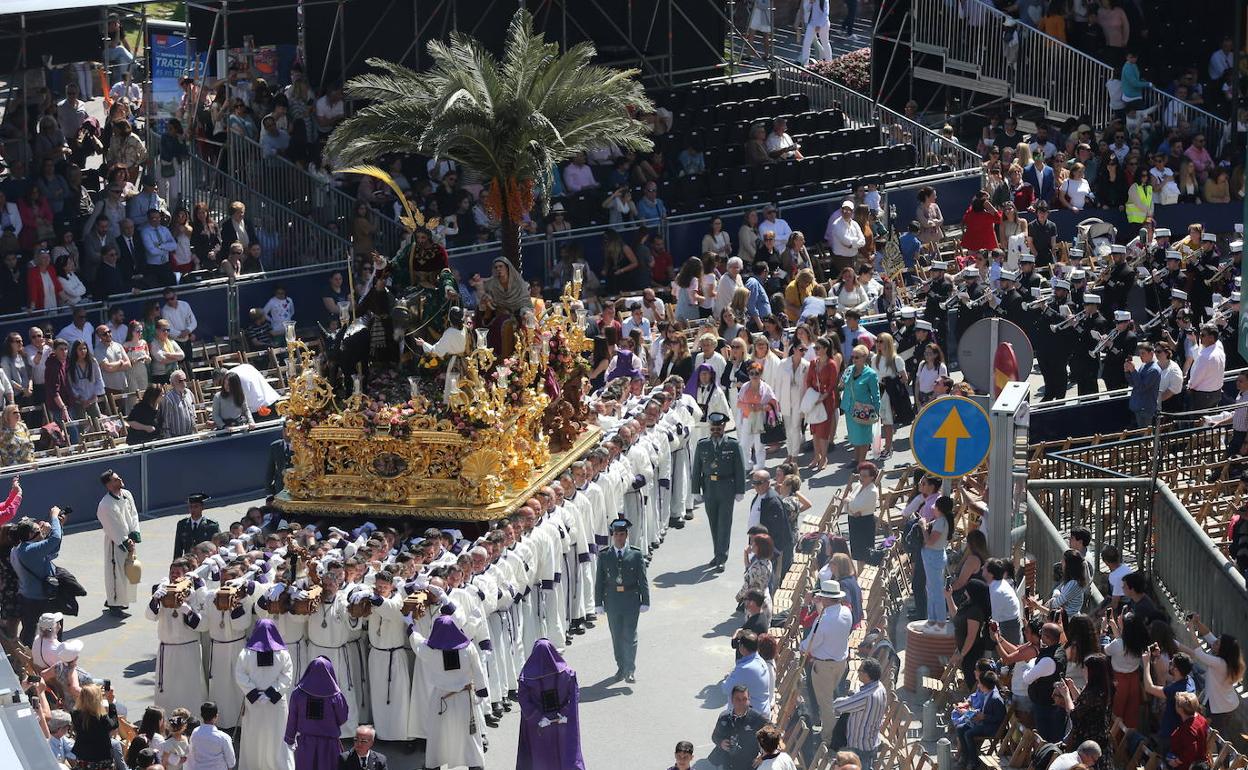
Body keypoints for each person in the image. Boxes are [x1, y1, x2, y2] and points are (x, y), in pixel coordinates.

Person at [408, 614, 489, 770]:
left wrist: (411, 626)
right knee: (468, 733)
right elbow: (478, 671)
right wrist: (481, 692)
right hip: (464, 697)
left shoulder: (430, 651)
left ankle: (434, 764)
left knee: (437, 734)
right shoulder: (469, 647)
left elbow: (416, 641)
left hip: (441, 698)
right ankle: (475, 764)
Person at [593, 515, 650, 683]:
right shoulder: (604, 556)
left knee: (630, 635)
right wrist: (598, 603)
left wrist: (645, 600)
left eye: (622, 534)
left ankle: (630, 669)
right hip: (612, 601)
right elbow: (600, 582)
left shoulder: (636, 554)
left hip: (631, 599)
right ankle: (621, 667)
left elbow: (642, 579)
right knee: (617, 636)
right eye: (616, 535)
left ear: (626, 535)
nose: (619, 538)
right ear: (612, 536)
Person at [690, 412, 747, 571]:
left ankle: (722, 557)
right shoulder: (703, 445)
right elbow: (697, 469)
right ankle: (717, 554)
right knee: (713, 523)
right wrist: (695, 490)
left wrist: (740, 489)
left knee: (724, 524)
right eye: (713, 428)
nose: (715, 430)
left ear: (724, 427)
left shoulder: (733, 445)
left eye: (718, 428)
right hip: (710, 488)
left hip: (726, 487)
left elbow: (739, 468)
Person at [515, 638, 583, 770]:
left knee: (542, 757)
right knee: (564, 753)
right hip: (562, 723)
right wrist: (565, 714)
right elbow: (574, 695)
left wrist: (538, 718)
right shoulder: (567, 673)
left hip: (539, 727)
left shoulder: (526, 678)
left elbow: (524, 700)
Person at [235, 619, 294, 770]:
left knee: (255, 736)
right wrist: (271, 694)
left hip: (255, 703)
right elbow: (287, 676)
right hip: (276, 703)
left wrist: (255, 694)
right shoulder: (283, 654)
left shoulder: (245, 653)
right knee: (277, 736)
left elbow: (240, 675)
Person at [800, 580, 852, 745]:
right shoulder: (845, 612)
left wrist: (801, 647)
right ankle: (831, 733)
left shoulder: (822, 622)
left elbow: (808, 645)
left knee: (825, 704)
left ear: (826, 598)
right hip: (840, 663)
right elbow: (829, 619)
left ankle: (828, 739)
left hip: (823, 667)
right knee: (829, 700)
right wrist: (819, 606)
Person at [284, 657, 349, 770]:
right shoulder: (336, 696)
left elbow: (292, 718)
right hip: (329, 746)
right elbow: (342, 718)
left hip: (306, 744)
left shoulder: (298, 693)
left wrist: (289, 738)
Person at [12, 506, 64, 646]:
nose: (41, 530)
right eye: (37, 530)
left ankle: (25, 661)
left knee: (28, 630)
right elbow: (55, 539)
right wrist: (54, 517)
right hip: (40, 599)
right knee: (52, 631)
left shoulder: (18, 550)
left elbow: (53, 550)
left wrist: (59, 526)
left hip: (27, 597)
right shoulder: (30, 550)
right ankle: (50, 657)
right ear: (30, 535)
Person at [96, 469, 140, 617]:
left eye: (118, 477)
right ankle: (114, 603)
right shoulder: (105, 505)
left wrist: (134, 534)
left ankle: (120, 600)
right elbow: (112, 527)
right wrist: (125, 541)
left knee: (127, 572)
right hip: (116, 543)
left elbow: (133, 514)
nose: (120, 480)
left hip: (129, 540)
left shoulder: (127, 494)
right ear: (108, 485)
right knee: (115, 573)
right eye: (115, 479)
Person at [830, 658, 888, 770]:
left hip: (860, 745)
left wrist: (847, 699)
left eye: (860, 670)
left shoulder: (866, 697)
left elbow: (839, 705)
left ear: (867, 675)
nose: (858, 672)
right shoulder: (880, 687)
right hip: (871, 741)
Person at [841, 345, 880, 468]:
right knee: (854, 436)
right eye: (852, 357)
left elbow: (876, 394)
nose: (854, 359)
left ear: (864, 357)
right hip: (849, 407)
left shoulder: (871, 374)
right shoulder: (849, 369)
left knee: (863, 437)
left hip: (864, 409)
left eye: (857, 357)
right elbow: (842, 385)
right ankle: (856, 458)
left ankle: (861, 463)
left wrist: (877, 411)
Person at [710, 685, 766, 770]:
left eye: (744, 699)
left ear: (749, 700)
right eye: (738, 699)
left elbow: (774, 734)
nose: (741, 703)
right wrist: (721, 743)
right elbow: (715, 736)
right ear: (732, 700)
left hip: (747, 765)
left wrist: (763, 757)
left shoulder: (756, 718)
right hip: (727, 763)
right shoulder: (724, 717)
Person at [70, 684, 121, 770]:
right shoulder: (101, 718)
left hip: (83, 756)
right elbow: (114, 724)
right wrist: (111, 703)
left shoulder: (75, 714)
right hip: (101, 757)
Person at [1168, 692, 1210, 770]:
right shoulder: (1201, 718)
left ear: (1180, 709)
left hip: (1188, 765)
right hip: (1200, 759)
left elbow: (1191, 750)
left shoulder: (1188, 729)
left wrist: (1177, 761)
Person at [189, 701, 236, 770]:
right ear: (216, 716)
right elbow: (231, 762)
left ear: (201, 715)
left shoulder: (195, 732)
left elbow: (192, 753)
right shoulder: (224, 737)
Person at [1125, 342, 1161, 427]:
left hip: (1145, 409)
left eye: (1143, 353)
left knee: (1146, 435)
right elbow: (1133, 383)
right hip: (1138, 407)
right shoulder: (1143, 366)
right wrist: (1127, 371)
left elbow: (1142, 387)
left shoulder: (1154, 370)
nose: (1140, 356)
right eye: (1139, 353)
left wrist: (1133, 371)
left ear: (1151, 353)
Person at [172, 494, 218, 560]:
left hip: (205, 561)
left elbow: (216, 545)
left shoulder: (212, 525)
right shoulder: (182, 524)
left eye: (196, 507)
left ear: (202, 507)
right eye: (191, 507)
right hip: (189, 562)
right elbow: (178, 548)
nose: (193, 509)